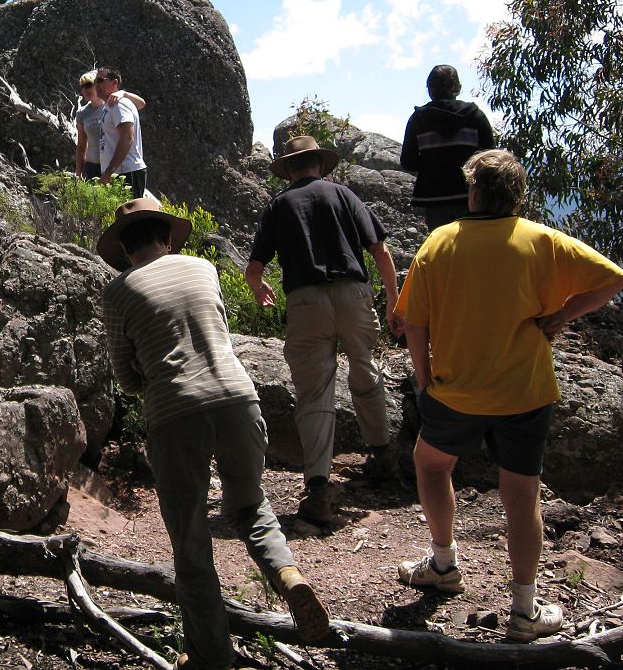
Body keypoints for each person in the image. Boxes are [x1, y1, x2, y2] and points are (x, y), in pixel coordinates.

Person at [393, 149, 623, 642]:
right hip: (525, 392)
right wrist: (560, 316)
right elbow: (613, 279)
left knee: (432, 465)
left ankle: (443, 563)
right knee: (522, 497)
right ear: (518, 194)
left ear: (473, 192)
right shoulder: (540, 240)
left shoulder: (440, 242)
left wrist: (424, 379)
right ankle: (524, 609)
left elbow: (414, 321)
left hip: (456, 392)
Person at [99, 197, 330, 666]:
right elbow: (218, 331)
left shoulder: (119, 290)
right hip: (238, 396)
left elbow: (124, 377)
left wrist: (151, 372)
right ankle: (287, 574)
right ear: (166, 238)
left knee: (190, 539)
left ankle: (211, 658)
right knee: (249, 505)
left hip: (173, 412)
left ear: (126, 250)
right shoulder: (203, 268)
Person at [244, 136, 402, 525]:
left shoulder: (279, 205)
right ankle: (382, 455)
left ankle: (317, 485)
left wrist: (259, 288)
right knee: (365, 368)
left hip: (306, 300)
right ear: (319, 164)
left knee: (314, 392)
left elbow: (254, 270)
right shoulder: (345, 195)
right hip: (353, 293)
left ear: (290, 169)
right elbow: (380, 251)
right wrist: (395, 301)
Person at [400, 64, 495, 230]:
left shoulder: (418, 120)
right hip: (470, 197)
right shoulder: (475, 116)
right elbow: (491, 158)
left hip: (434, 200)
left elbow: (408, 162)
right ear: (457, 88)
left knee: (443, 248)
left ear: (430, 89)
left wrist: (432, 164)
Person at [74, 70, 145, 180]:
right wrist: (79, 173)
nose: (84, 90)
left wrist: (123, 93)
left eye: (88, 85)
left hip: (114, 165)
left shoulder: (111, 103)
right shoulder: (82, 113)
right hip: (92, 165)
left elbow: (140, 104)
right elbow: (81, 146)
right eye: (82, 87)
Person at [92, 67, 147, 196]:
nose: (96, 85)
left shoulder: (119, 104)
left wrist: (109, 170)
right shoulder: (110, 105)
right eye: (95, 81)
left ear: (114, 82)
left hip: (126, 172)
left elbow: (127, 137)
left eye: (100, 80)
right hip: (118, 173)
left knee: (131, 215)